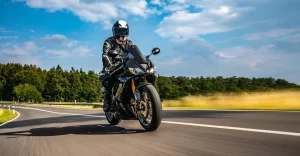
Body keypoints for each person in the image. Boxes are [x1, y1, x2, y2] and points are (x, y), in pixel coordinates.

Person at [100, 20, 134, 112]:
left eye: (124, 31)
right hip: (113, 66)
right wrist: (109, 65)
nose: (122, 34)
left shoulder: (130, 43)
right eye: (120, 31)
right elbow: (105, 55)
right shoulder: (109, 42)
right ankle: (107, 100)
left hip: (127, 65)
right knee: (108, 79)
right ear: (114, 31)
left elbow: (135, 54)